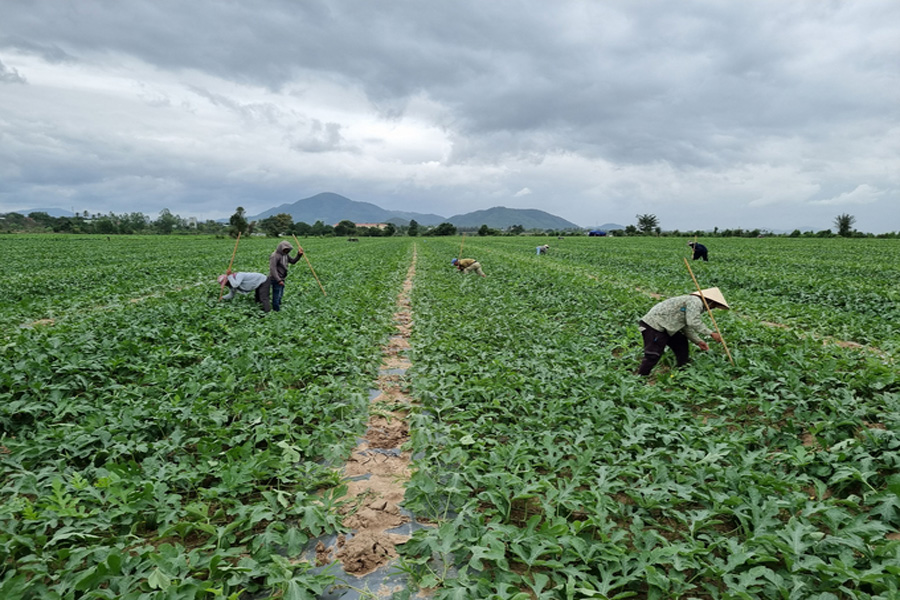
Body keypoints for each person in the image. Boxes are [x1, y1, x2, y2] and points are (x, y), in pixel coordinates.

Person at [636, 287, 729, 376]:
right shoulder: (695, 301)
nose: (713, 308)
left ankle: (682, 371)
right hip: (654, 325)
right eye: (714, 305)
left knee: (681, 343)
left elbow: (686, 326)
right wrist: (711, 333)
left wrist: (698, 341)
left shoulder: (693, 303)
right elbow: (693, 322)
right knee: (653, 355)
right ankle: (641, 378)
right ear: (710, 301)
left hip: (667, 326)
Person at [269, 240, 303, 311]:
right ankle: (276, 311)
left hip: (282, 277)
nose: (287, 251)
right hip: (276, 279)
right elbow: (273, 269)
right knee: (276, 296)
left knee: (280, 295)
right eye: (286, 250)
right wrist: (279, 280)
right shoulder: (275, 256)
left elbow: (293, 261)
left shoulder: (285, 255)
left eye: (288, 250)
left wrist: (299, 255)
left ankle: (278, 307)